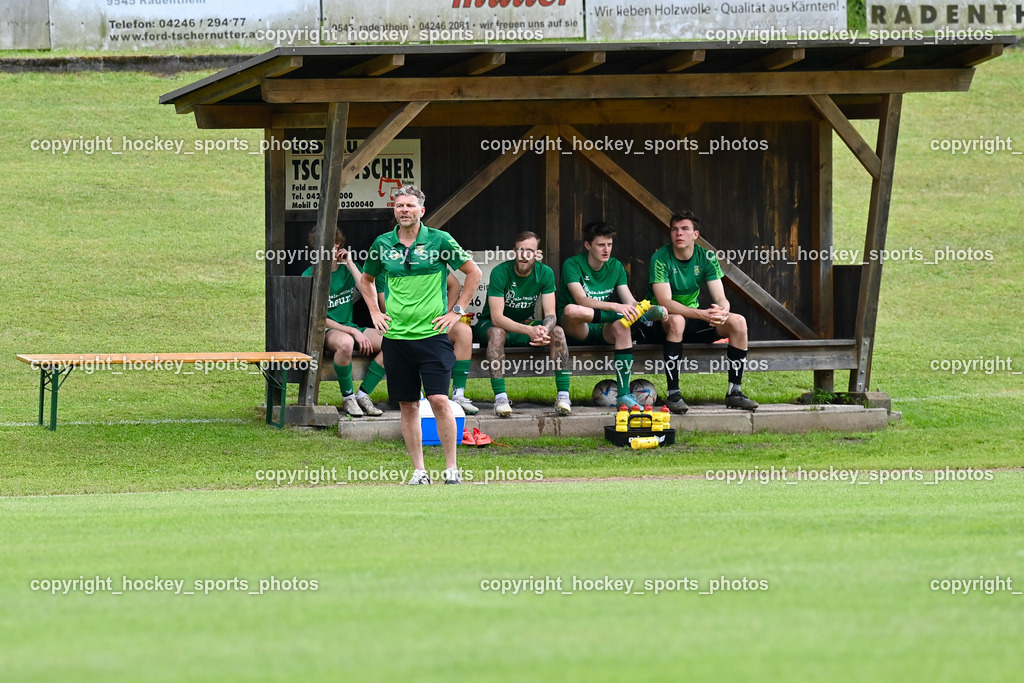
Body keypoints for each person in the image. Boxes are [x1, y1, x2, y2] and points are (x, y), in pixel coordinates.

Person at [359, 185, 482, 485]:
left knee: (440, 400)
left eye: (410, 206)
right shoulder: (382, 244)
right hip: (397, 338)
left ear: (421, 211)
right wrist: (375, 312)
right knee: (408, 405)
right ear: (394, 210)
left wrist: (456, 311)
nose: (404, 210)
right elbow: (366, 280)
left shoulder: (440, 240)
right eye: (399, 205)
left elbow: (473, 273)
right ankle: (419, 471)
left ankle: (451, 468)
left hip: (433, 336)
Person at [647, 211, 759, 411]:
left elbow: (721, 298)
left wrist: (723, 311)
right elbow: (665, 302)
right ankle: (673, 395)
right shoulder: (660, 258)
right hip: (661, 322)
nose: (678, 234)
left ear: (695, 235)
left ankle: (735, 392)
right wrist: (702, 314)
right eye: (674, 229)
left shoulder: (706, 256)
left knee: (738, 322)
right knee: (677, 320)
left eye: (684, 229)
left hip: (693, 320)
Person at [557, 221, 664, 410]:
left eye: (609, 245)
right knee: (571, 310)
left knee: (623, 326)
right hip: (578, 327)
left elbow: (629, 302)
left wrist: (649, 308)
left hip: (602, 324)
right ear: (588, 245)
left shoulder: (615, 266)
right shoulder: (572, 264)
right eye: (601, 245)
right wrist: (616, 308)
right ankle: (638, 318)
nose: (606, 250)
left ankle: (623, 395)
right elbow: (581, 300)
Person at [474, 231, 571, 417]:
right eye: (520, 250)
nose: (524, 255)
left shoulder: (545, 272)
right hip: (489, 325)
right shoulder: (500, 272)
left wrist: (544, 331)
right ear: (514, 251)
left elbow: (551, 314)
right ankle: (501, 399)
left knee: (557, 331)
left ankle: (563, 397)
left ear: (537, 254)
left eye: (530, 251)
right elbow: (497, 318)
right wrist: (529, 330)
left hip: (523, 325)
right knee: (497, 332)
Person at [301, 228, 384, 417]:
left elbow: (367, 293)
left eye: (329, 244)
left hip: (350, 327)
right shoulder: (309, 275)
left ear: (337, 245)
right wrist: (353, 332)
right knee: (346, 342)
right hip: (326, 331)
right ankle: (348, 398)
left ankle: (363, 395)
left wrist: (350, 264)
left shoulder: (347, 272)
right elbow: (317, 318)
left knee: (394, 340)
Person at [374, 269, 480, 415]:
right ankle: (415, 394)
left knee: (464, 331)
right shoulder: (388, 265)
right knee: (394, 343)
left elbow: (457, 284)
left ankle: (458, 395)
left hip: (434, 326)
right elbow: (386, 306)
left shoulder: (429, 256)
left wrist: (447, 316)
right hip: (404, 328)